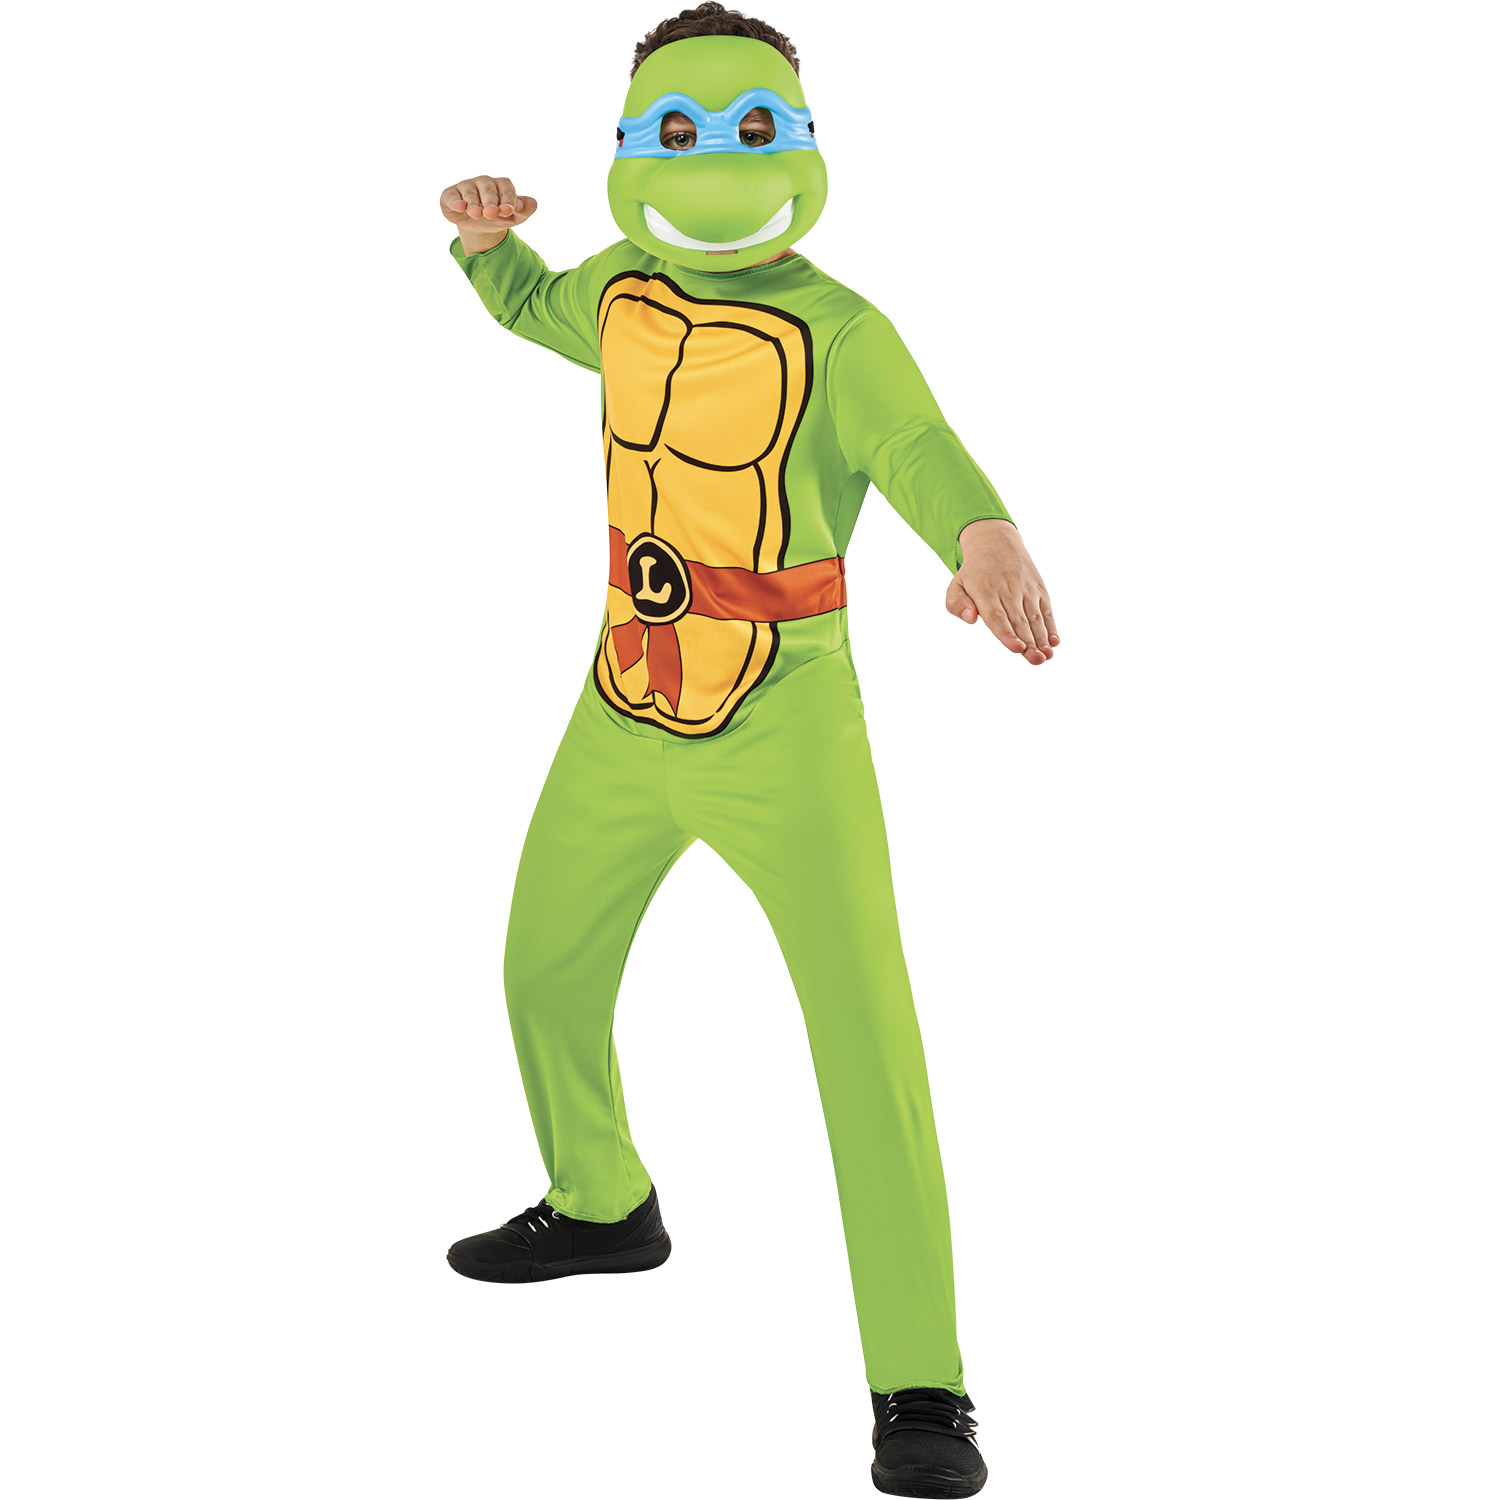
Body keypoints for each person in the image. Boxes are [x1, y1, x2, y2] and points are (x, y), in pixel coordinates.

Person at [438, 6, 1058, 1494]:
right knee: (542, 965)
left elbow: (915, 446)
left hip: (787, 720)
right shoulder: (619, 284)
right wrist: (486, 248)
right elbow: (542, 314)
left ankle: (921, 1382)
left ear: (799, 140)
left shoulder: (841, 330)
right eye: (680, 131)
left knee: (864, 1040)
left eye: (750, 128)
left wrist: (979, 534)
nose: (715, 160)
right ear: (633, 146)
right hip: (623, 694)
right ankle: (604, 1202)